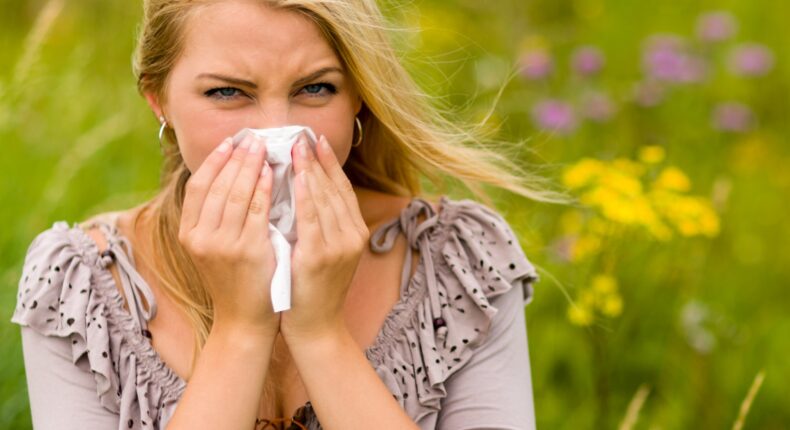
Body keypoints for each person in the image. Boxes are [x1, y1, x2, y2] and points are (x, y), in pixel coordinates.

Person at [11, 1, 561, 429]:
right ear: (159, 100)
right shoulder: (82, 285)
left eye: (315, 89)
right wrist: (240, 330)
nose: (277, 134)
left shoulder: (458, 264)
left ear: (359, 99)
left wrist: (322, 336)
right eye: (228, 92)